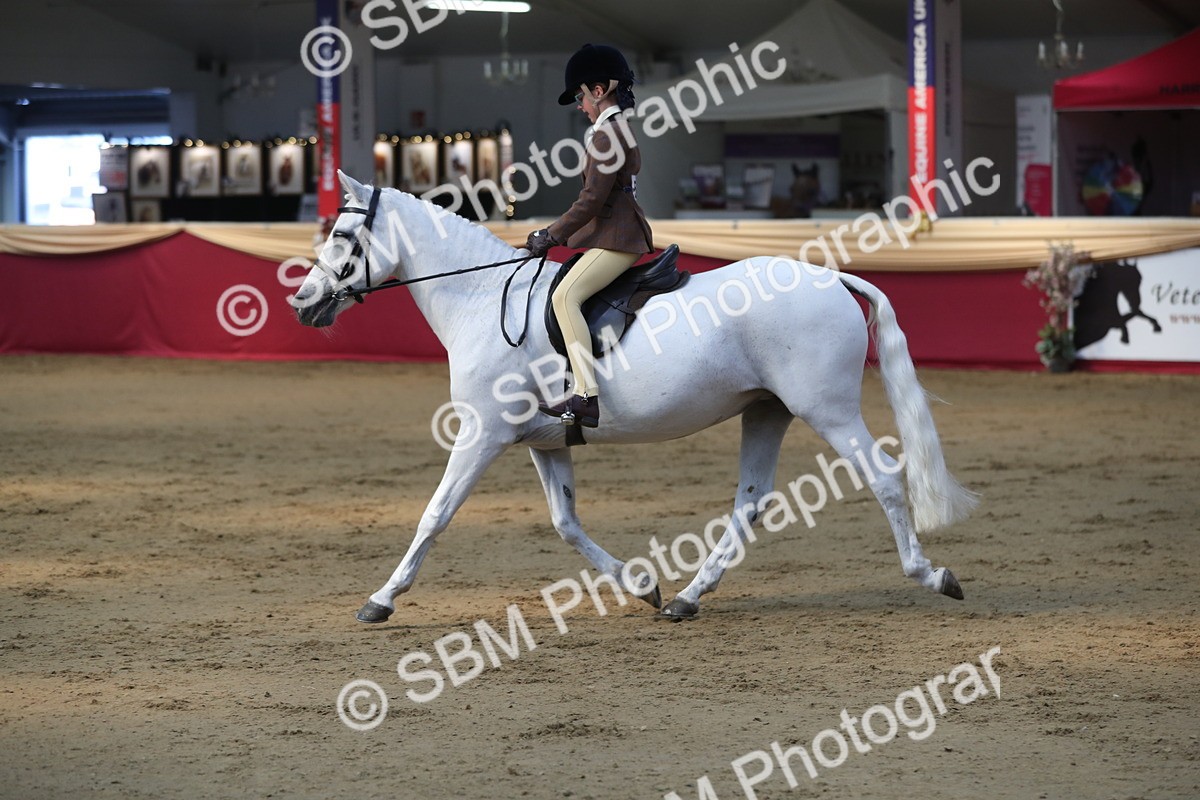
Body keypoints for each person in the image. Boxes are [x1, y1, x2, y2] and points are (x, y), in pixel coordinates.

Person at [526, 43, 654, 429]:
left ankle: (585, 395)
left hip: (618, 238)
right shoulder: (615, 130)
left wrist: (550, 235)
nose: (580, 106)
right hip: (615, 234)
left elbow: (591, 202)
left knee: (566, 297)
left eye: (581, 96)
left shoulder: (606, 135)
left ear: (599, 91)